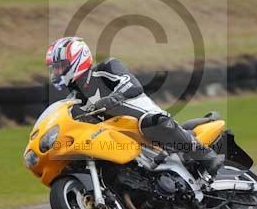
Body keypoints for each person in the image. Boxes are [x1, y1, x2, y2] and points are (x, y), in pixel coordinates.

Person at [46, 36, 224, 175]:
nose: (57, 72)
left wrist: (113, 98)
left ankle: (205, 155)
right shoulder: (74, 99)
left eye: (60, 66)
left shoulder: (107, 68)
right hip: (121, 137)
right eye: (54, 68)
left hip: (143, 118)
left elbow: (132, 85)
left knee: (156, 122)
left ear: (78, 59)